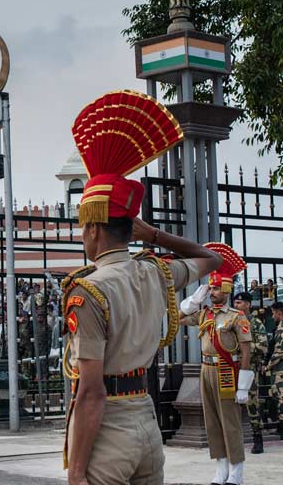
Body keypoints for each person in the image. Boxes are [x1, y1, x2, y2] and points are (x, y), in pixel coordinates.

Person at [61, 91, 220, 485]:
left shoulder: (87, 292)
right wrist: (155, 234)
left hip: (109, 429)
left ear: (94, 228)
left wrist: (77, 473)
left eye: (84, 228)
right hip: (146, 421)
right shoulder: (155, 273)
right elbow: (210, 259)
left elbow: (92, 392)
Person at [179, 243, 252, 485]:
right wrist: (192, 300)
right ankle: (221, 469)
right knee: (212, 422)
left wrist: (243, 385)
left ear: (227, 289)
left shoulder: (236, 317)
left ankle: (236, 471)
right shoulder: (204, 314)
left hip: (226, 372)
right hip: (205, 370)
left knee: (229, 423)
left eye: (216, 289)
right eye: (210, 289)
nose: (212, 293)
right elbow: (177, 318)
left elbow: (245, 351)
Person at [231, 291, 268, 453]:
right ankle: (232, 440)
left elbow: (263, 347)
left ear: (247, 304)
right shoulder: (231, 321)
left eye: (239, 303)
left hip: (249, 368)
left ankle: (257, 438)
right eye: (235, 303)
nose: (236, 306)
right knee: (229, 404)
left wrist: (243, 348)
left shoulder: (256, 324)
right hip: (231, 368)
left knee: (251, 403)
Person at [267, 301, 283, 440]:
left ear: (279, 312)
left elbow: (279, 352)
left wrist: (267, 365)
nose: (272, 316)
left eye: (273, 313)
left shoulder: (282, 329)